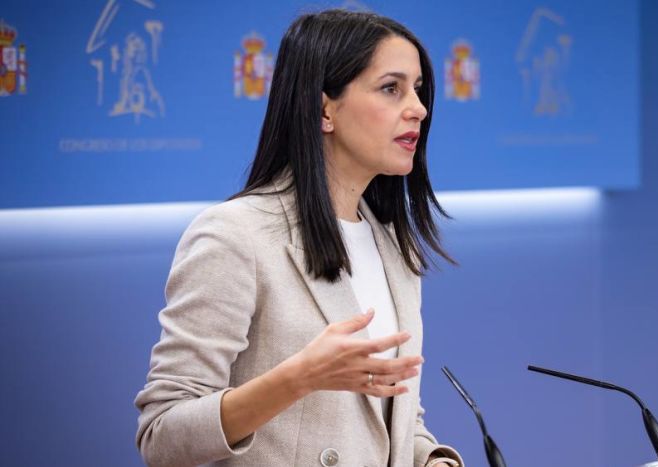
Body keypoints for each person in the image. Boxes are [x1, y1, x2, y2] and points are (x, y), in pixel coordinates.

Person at [134, 10, 462, 467]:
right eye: (392, 88)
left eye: (418, 90)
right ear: (325, 109)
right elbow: (163, 435)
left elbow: (386, 420)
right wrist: (298, 378)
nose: (419, 109)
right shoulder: (235, 235)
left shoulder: (394, 246)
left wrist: (432, 460)